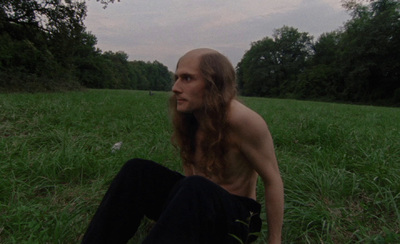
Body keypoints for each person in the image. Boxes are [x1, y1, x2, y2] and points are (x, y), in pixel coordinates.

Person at [82, 48, 284, 244]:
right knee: (136, 171)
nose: (176, 87)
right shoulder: (189, 115)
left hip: (235, 220)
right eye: (177, 78)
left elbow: (273, 180)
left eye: (187, 78)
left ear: (214, 83)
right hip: (197, 205)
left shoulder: (244, 121)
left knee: (195, 187)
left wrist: (275, 241)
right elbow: (190, 170)